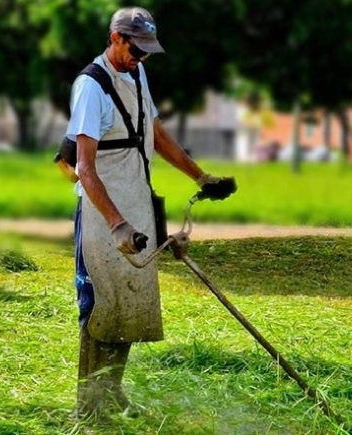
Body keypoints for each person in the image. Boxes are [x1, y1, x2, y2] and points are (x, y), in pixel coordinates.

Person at [65, 7, 236, 417]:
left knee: (130, 302)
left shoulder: (137, 73)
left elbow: (155, 134)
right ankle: (88, 409)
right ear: (115, 38)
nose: (140, 58)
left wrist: (200, 177)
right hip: (103, 214)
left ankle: (111, 390)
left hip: (136, 200)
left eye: (146, 52)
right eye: (134, 49)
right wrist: (117, 224)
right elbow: (84, 167)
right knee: (101, 305)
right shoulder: (91, 86)